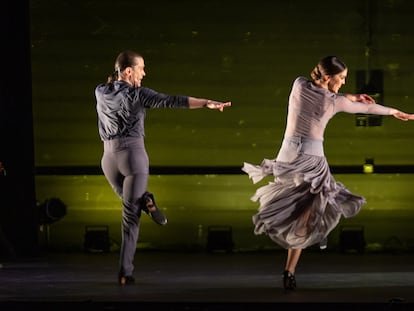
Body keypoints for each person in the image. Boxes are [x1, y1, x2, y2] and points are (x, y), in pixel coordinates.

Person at [242, 56, 414, 291]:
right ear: (327, 77)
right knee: (311, 211)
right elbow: (367, 107)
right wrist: (394, 111)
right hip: (311, 161)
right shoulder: (334, 102)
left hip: (287, 158)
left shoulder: (299, 84)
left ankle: (289, 265)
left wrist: (352, 95)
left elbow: (337, 95)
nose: (343, 83)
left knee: (298, 208)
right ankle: (290, 266)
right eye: (341, 78)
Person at [95, 49, 231, 285]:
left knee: (131, 206)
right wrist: (206, 103)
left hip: (108, 159)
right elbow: (172, 101)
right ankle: (124, 272)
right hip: (132, 157)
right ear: (129, 71)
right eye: (141, 68)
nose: (144, 73)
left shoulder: (100, 91)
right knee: (131, 215)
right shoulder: (139, 94)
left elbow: (112, 84)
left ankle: (145, 200)